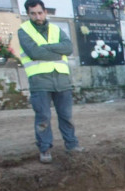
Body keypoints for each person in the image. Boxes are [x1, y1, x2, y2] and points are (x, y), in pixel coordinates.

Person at [19, 0, 84, 164]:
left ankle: (72, 144)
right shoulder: (23, 31)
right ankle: (45, 148)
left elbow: (68, 48)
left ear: (45, 12)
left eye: (40, 13)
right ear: (28, 14)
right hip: (40, 81)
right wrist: (56, 51)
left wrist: (45, 48)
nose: (37, 16)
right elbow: (33, 52)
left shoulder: (56, 29)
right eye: (33, 13)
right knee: (43, 117)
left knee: (66, 116)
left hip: (62, 81)